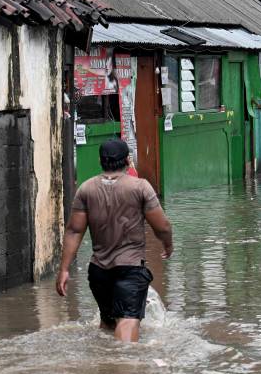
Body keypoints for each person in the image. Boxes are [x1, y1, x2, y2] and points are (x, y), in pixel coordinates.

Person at [56, 139, 173, 343]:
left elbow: (74, 230)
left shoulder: (86, 189)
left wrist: (64, 269)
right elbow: (162, 226)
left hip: (98, 272)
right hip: (130, 269)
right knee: (127, 321)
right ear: (128, 160)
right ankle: (122, 369)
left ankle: (104, 369)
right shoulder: (140, 187)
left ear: (101, 161)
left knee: (109, 324)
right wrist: (168, 244)